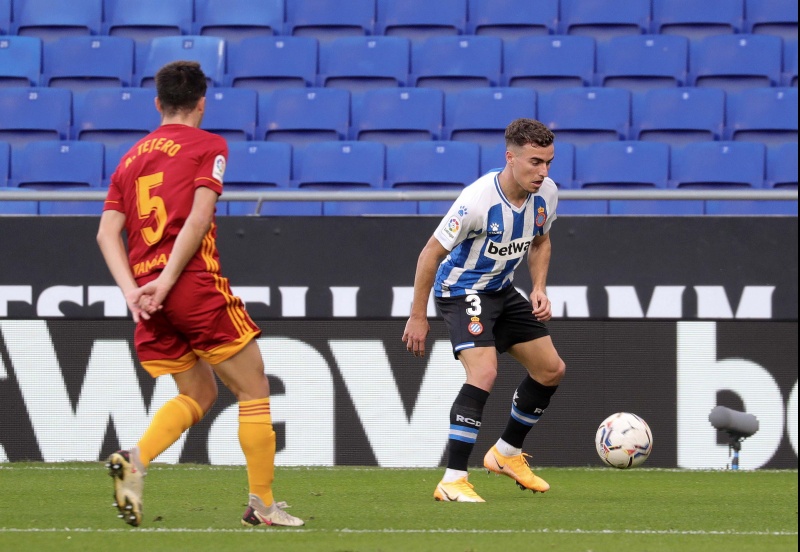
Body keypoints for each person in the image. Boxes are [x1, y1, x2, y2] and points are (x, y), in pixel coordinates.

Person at [96, 60, 303, 527]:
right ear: (202, 103)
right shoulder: (209, 145)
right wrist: (169, 280)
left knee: (199, 391)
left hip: (147, 297)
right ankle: (262, 505)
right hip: (188, 284)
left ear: (158, 103)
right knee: (253, 387)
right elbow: (199, 216)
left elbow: (107, 233)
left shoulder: (129, 159)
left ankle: (135, 460)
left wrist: (133, 292)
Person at [402, 118, 566, 502]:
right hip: (462, 290)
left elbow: (540, 242)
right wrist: (417, 315)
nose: (543, 172)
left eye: (548, 162)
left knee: (551, 369)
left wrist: (538, 288)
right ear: (510, 158)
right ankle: (453, 479)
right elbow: (430, 254)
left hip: (501, 290)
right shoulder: (477, 201)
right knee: (484, 371)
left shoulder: (547, 194)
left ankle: (506, 453)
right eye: (535, 162)